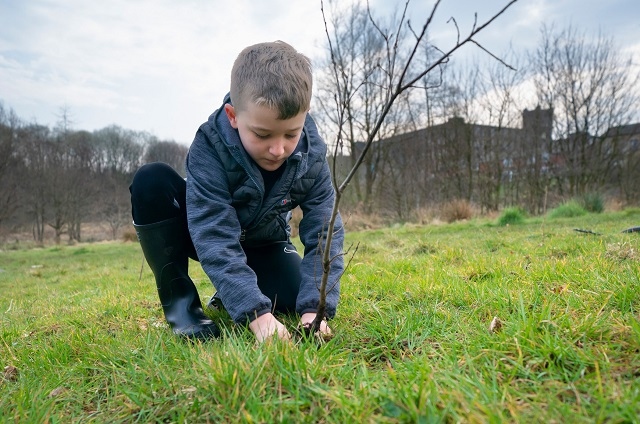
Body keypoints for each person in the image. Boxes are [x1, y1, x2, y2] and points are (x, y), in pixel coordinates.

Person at [129, 41, 344, 342]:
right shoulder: (208, 147)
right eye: (262, 134)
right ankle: (184, 310)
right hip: (203, 235)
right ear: (233, 116)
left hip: (264, 245)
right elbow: (213, 233)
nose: (278, 149)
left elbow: (325, 232)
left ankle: (230, 294)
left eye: (291, 134)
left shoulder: (313, 156)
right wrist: (257, 316)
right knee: (151, 179)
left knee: (295, 296)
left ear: (305, 116)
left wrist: (314, 311)